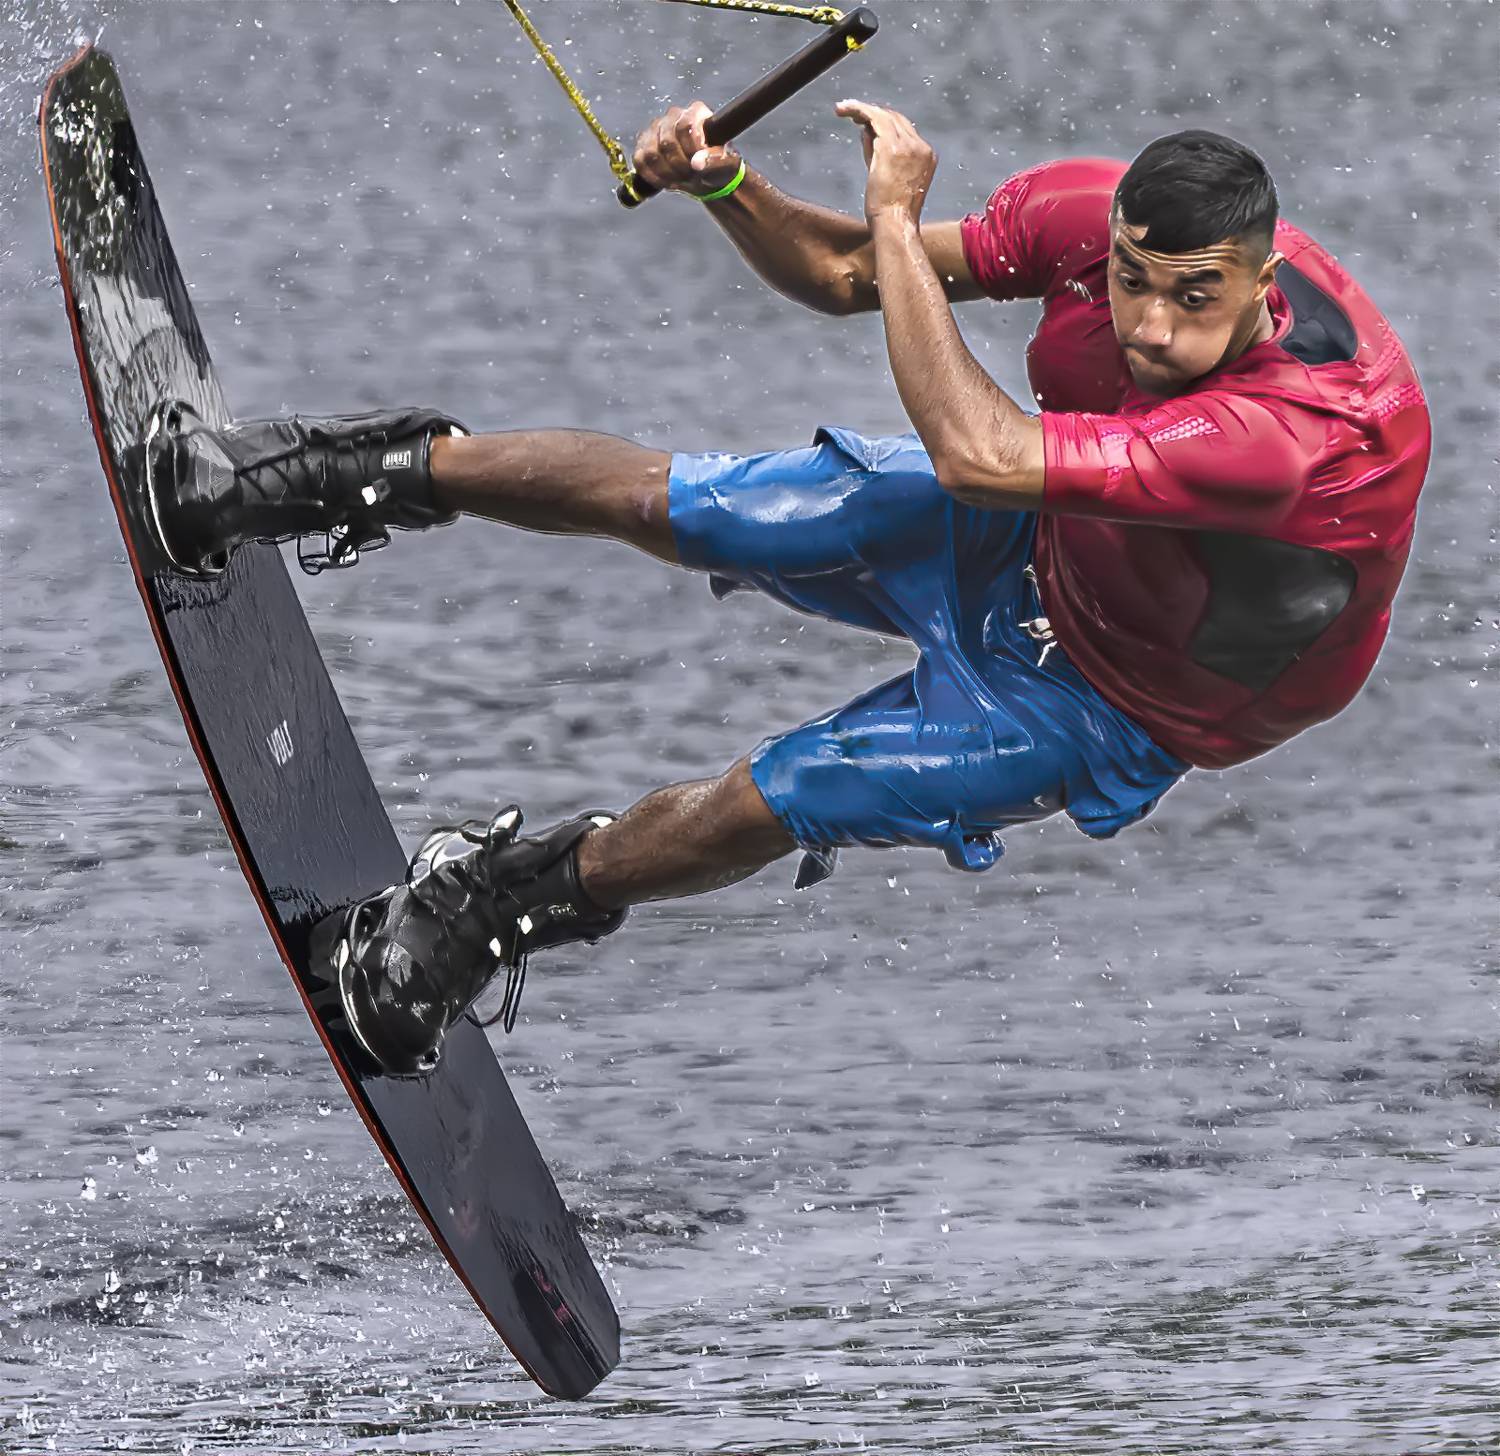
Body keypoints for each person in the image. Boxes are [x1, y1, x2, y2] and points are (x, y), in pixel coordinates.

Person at [145, 101, 1431, 1076]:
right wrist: (727, 184)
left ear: (1262, 285)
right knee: (697, 505)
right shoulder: (1089, 218)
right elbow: (849, 275)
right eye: (1131, 282)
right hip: (1042, 538)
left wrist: (895, 215)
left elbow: (978, 452)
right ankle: (324, 477)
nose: (1149, 326)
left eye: (1195, 300)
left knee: (781, 792)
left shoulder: (1300, 434)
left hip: (1114, 700)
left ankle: (488, 912)